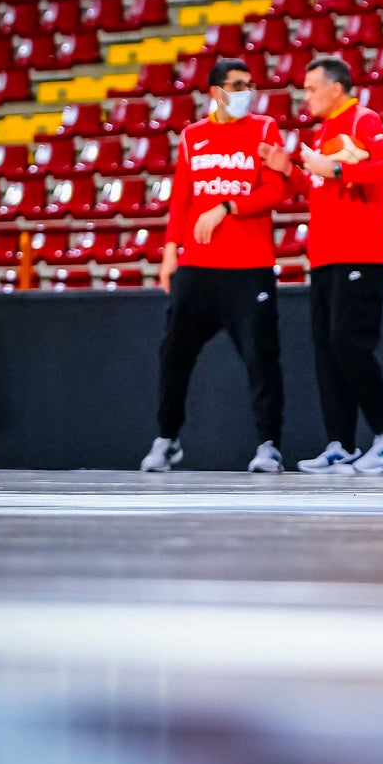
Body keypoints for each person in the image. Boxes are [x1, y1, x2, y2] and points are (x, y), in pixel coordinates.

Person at [259, 56, 383, 474]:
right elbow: (317, 186)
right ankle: (340, 444)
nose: (305, 96)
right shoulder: (324, 131)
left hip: (360, 252)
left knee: (349, 342)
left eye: (311, 88)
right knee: (328, 350)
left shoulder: (362, 121)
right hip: (325, 256)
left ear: (337, 87)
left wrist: (338, 167)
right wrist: (287, 169)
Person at [140, 57, 289, 473]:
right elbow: (182, 199)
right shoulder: (192, 137)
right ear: (216, 92)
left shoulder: (264, 129)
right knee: (174, 354)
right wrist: (170, 253)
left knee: (262, 356)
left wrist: (227, 207)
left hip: (250, 266)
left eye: (250, 83)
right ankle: (167, 439)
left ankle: (269, 445)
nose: (246, 91)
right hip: (198, 267)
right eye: (237, 84)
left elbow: (275, 190)